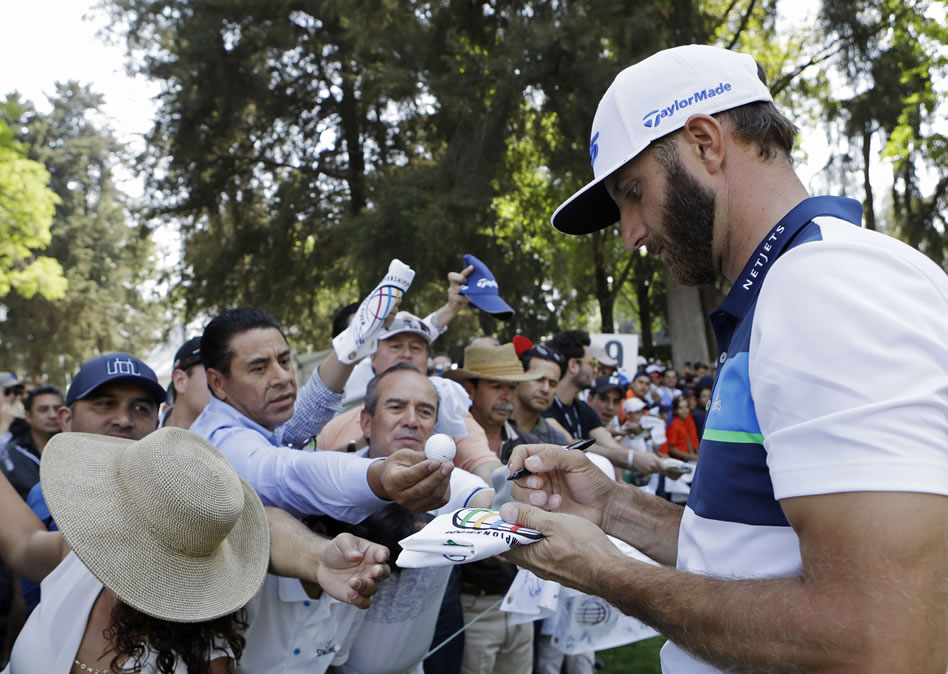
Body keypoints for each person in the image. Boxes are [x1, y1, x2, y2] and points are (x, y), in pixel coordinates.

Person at [499, 44, 948, 672]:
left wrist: (602, 571)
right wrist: (612, 508)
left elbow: (883, 635)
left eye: (633, 193)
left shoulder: (824, 285)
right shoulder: (796, 285)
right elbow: (752, 552)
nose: (629, 235)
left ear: (706, 142)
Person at [0, 427, 392, 673]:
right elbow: (20, 541)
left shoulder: (205, 655)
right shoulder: (87, 551)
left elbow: (266, 527)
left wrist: (315, 556)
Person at [190, 306, 453, 522]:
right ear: (217, 383)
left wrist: (357, 337)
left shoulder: (256, 415)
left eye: (284, 361)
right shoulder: (222, 444)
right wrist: (379, 475)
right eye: (259, 368)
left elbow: (308, 409)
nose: (282, 377)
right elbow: (289, 473)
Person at [338, 363, 492, 674]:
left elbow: (486, 503)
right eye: (396, 407)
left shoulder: (453, 483)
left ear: (435, 428)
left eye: (424, 412)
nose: (411, 421)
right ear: (367, 423)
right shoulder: (335, 481)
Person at [318, 312, 503, 483]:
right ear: (373, 357)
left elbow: (485, 466)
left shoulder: (453, 415)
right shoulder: (334, 430)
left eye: (415, 348)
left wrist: (507, 489)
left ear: (426, 359)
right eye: (395, 346)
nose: (406, 354)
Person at [543, 330, 665, 477]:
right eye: (593, 363)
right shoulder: (544, 405)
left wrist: (661, 462)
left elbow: (610, 445)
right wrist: (631, 458)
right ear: (573, 365)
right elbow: (568, 443)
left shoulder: (583, 409)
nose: (596, 369)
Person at [0, 385, 63, 500]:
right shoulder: (10, 455)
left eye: (57, 409)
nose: (52, 415)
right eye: (43, 410)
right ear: (28, 416)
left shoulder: (77, 451)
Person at [511, 345, 570, 445]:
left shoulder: (557, 441)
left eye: (552, 384)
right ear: (518, 378)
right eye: (538, 379)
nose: (545, 389)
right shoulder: (491, 421)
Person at [161, 336, 210, 430]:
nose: (220, 385)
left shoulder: (230, 439)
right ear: (180, 381)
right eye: (210, 375)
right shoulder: (144, 432)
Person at [661, 395, 699, 462]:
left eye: (686, 407)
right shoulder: (674, 425)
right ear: (675, 411)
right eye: (681, 408)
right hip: (677, 460)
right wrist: (690, 456)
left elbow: (688, 438)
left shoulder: (684, 421)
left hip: (685, 458)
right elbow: (671, 448)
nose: (685, 410)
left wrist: (692, 453)